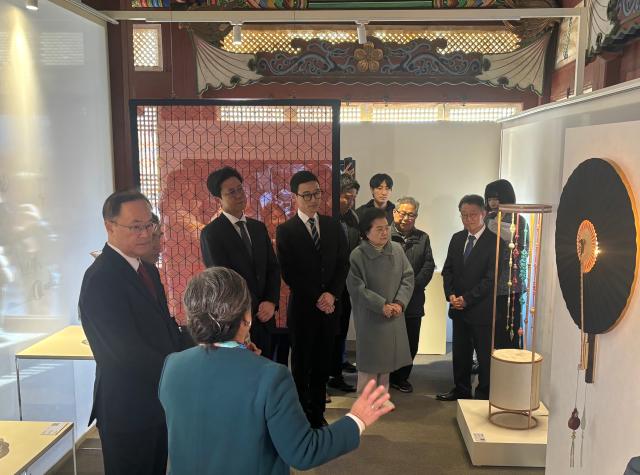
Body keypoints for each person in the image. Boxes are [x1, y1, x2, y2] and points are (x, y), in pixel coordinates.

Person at [158, 267, 393, 475]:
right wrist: (357, 419)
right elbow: (304, 452)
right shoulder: (272, 376)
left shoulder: (172, 365)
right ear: (247, 318)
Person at [79, 191, 190, 475]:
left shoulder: (147, 270)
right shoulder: (101, 278)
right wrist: (180, 371)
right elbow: (124, 353)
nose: (144, 234)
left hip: (157, 401)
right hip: (127, 406)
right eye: (135, 226)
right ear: (110, 226)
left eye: (149, 224)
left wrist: (206, 342)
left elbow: (165, 329)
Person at [276, 170, 349, 428]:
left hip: (329, 310)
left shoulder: (332, 226)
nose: (313, 199)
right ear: (295, 197)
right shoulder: (286, 231)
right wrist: (318, 296)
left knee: (322, 366)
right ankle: (299, 418)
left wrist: (332, 294)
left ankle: (317, 416)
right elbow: (289, 272)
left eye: (316, 193)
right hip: (304, 310)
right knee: (301, 367)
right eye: (306, 195)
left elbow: (343, 264)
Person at [200, 167, 281, 357]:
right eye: (231, 192)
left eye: (240, 189)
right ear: (218, 199)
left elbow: (272, 268)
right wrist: (251, 309)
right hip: (236, 321)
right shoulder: (212, 233)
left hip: (266, 317)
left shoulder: (258, 228)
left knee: (266, 371)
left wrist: (270, 301)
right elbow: (222, 280)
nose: (239, 195)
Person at [347, 207, 415, 403]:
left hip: (394, 312)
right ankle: (365, 400)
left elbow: (408, 278)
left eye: (386, 228)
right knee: (370, 361)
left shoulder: (397, 249)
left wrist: (399, 303)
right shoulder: (358, 255)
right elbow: (356, 288)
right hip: (371, 315)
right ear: (366, 232)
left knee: (387, 359)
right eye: (379, 229)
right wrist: (381, 305)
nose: (385, 232)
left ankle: (383, 396)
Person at [437, 194, 498, 402]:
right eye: (464, 215)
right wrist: (451, 295)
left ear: (484, 214)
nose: (468, 219)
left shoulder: (495, 242)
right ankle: (461, 390)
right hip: (458, 307)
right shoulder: (457, 238)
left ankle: (483, 395)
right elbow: (448, 270)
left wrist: (467, 299)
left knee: (483, 356)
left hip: (481, 309)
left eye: (473, 215)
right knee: (460, 354)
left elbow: (491, 279)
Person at [389, 197, 436, 393]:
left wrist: (411, 286)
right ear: (394, 213)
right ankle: (387, 376)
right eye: (403, 213)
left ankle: (402, 377)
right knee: (389, 341)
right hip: (389, 299)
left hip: (414, 300)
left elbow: (428, 265)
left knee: (411, 341)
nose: (407, 218)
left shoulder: (423, 238)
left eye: (411, 214)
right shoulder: (384, 235)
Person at [328, 175, 361, 393]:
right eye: (346, 197)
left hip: (348, 283)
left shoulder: (354, 218)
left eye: (353, 198)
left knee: (340, 330)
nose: (350, 202)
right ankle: (324, 376)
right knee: (327, 331)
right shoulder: (326, 218)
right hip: (328, 286)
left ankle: (336, 372)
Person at [485, 179, 527, 349]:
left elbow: (522, 248)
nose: (493, 202)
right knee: (489, 329)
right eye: (489, 198)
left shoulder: (519, 220)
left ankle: (510, 366)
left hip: (510, 284)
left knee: (510, 326)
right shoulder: (486, 218)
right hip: (488, 283)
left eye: (496, 197)